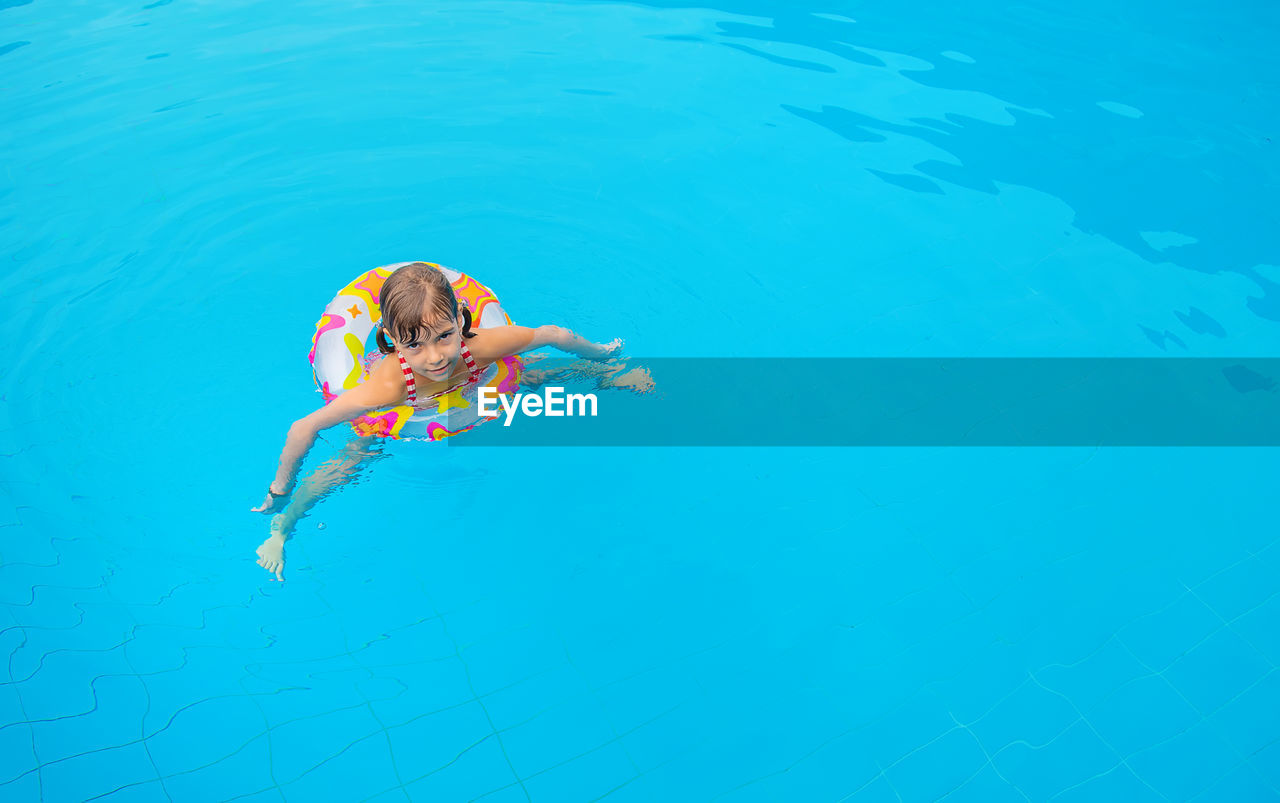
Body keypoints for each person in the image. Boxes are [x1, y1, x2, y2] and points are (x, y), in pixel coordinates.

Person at [252, 262, 630, 580]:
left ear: (460, 320)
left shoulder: (479, 347)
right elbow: (303, 427)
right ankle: (282, 527)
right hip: (398, 415)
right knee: (353, 459)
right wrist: (279, 486)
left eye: (445, 336)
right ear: (390, 340)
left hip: (471, 387)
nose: (435, 356)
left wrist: (602, 355)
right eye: (414, 344)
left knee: (530, 372)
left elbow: (552, 334)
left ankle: (612, 375)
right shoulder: (389, 387)